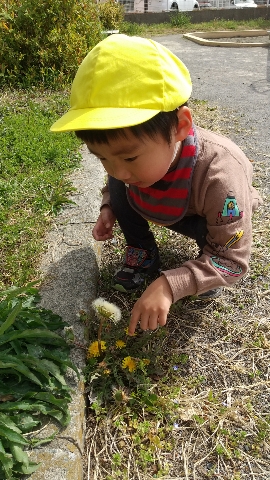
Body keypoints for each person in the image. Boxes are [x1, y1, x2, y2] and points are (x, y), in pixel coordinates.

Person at [50, 34, 262, 335]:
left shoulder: (221, 178)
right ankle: (143, 252)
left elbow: (233, 260)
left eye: (131, 156)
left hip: (204, 215)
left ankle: (203, 270)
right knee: (121, 188)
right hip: (159, 199)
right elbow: (119, 172)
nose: (118, 170)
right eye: (102, 158)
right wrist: (110, 206)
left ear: (180, 126)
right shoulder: (130, 170)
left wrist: (171, 285)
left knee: (217, 249)